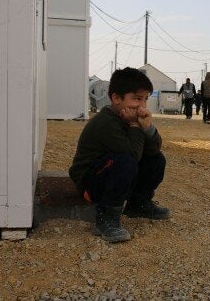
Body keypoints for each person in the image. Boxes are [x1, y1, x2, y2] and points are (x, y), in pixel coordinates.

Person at [69, 67, 169, 243]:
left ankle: (137, 204)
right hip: (90, 184)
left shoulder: (131, 119)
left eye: (145, 99)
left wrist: (147, 128)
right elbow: (132, 155)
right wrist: (135, 127)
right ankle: (106, 217)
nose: (142, 106)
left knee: (157, 159)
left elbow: (152, 149)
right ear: (116, 98)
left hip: (112, 171)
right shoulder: (106, 123)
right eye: (137, 99)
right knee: (126, 162)